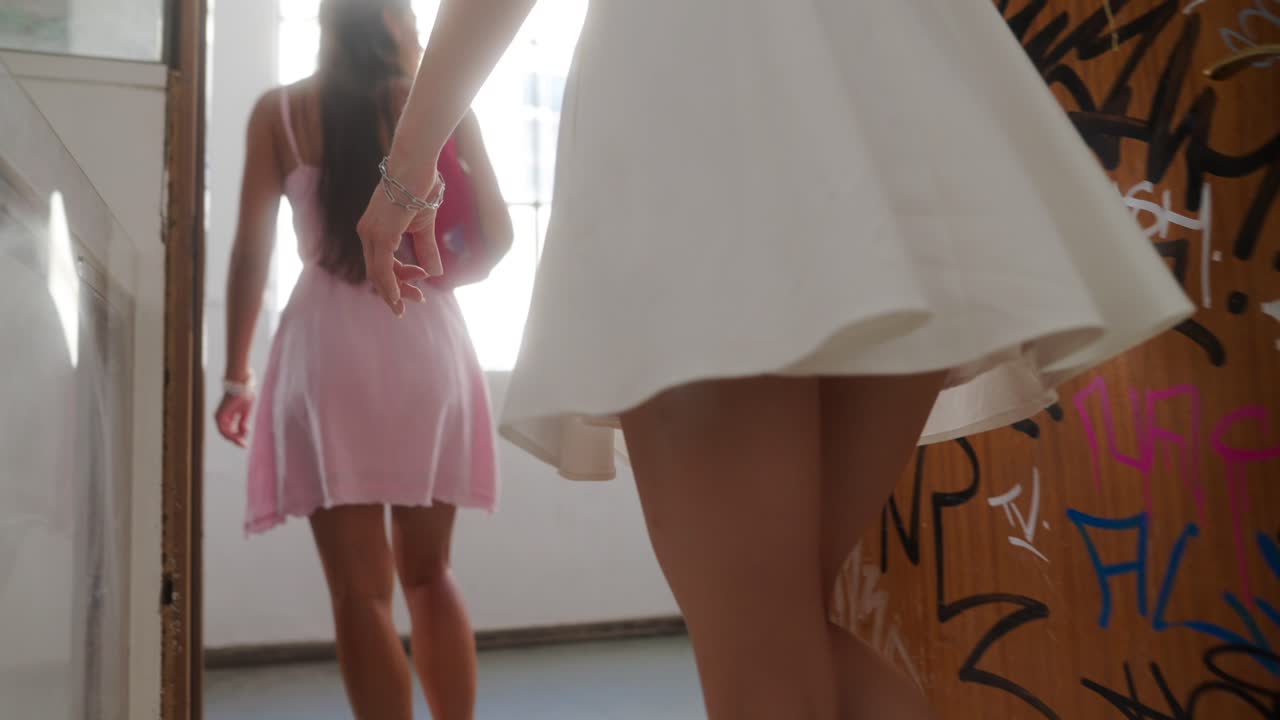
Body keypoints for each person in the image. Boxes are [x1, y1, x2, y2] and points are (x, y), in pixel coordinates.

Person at [357, 1, 1194, 717]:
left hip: (704, 90)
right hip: (908, 89)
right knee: (787, 642)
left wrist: (407, 170)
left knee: (763, 665)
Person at [214, 1, 512, 717]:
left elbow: (251, 253)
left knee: (359, 593)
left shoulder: (280, 114)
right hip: (425, 337)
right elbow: (497, 237)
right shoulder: (436, 105)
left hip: (328, 352)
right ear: (396, 24)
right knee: (430, 573)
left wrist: (236, 374)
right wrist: (436, 272)